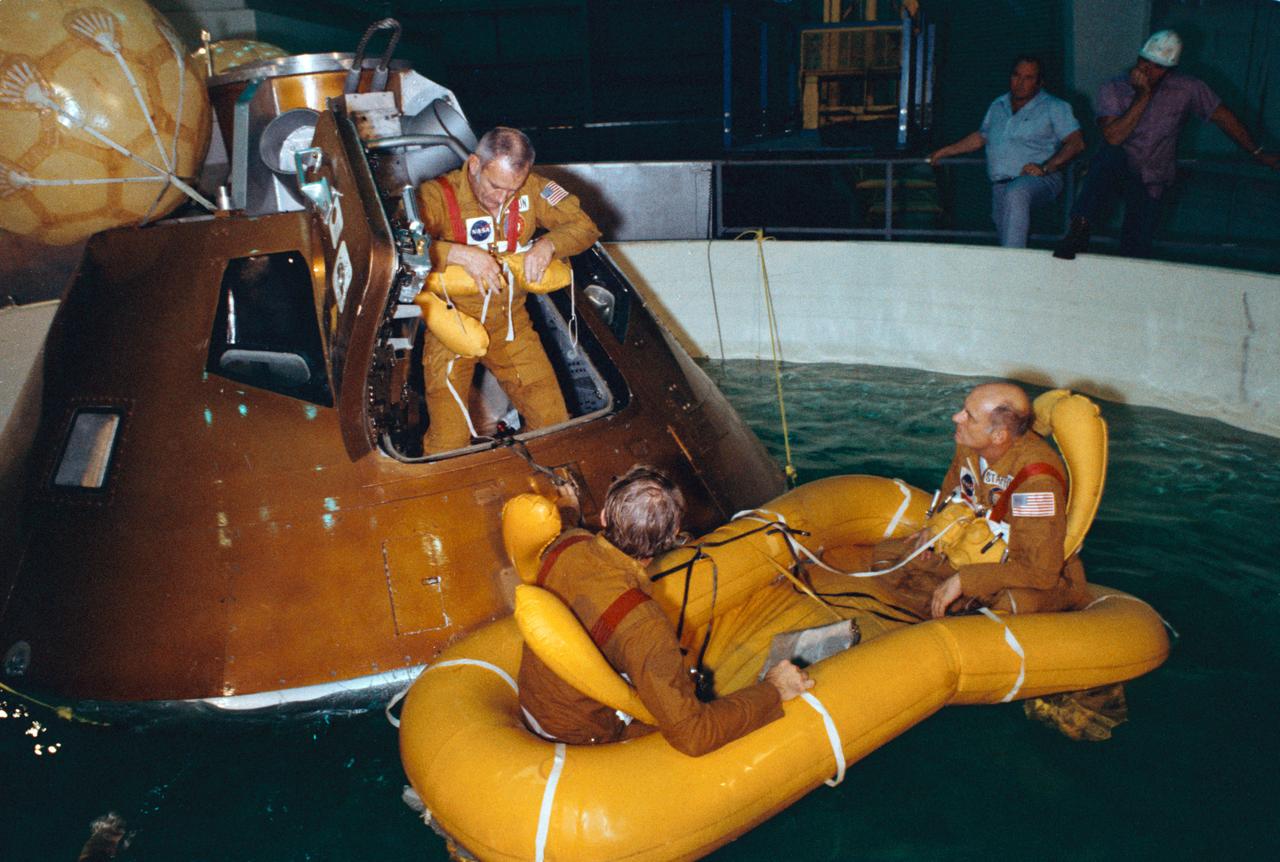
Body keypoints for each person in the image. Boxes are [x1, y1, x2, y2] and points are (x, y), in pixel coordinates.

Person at [517, 465, 814, 756]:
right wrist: (774, 689)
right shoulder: (644, 625)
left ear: (606, 515)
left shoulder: (568, 542)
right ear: (672, 536)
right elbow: (694, 737)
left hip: (536, 705)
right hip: (583, 737)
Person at [414, 126, 601, 453]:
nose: (502, 199)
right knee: (450, 441)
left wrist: (548, 245)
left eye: (512, 190)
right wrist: (457, 253)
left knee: (552, 422)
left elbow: (585, 226)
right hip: (452, 323)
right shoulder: (436, 195)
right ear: (474, 164)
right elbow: (400, 243)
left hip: (511, 325)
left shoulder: (532, 189)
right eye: (495, 186)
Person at [1054, 30, 1279, 260]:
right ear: (1139, 58)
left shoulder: (1187, 88)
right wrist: (1143, 96)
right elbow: (1113, 136)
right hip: (1117, 169)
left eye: (1158, 66)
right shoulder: (1114, 88)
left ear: (1170, 70)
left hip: (1152, 176)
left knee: (1135, 248)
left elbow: (1224, 118)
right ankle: (1079, 228)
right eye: (1145, 62)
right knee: (1109, 155)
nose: (1149, 70)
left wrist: (1258, 153)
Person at [873, 382, 1089, 619]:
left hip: (1024, 574)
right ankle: (955, 612)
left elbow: (1041, 572)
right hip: (973, 548)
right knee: (887, 557)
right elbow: (952, 492)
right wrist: (933, 530)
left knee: (1009, 606)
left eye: (970, 417)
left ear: (998, 436)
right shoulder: (969, 448)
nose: (957, 417)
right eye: (963, 410)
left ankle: (962, 620)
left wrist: (965, 581)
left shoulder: (1036, 483)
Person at [929, 55, 1084, 248]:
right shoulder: (998, 105)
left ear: (1039, 82)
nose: (1020, 83)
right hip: (1001, 184)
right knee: (1007, 235)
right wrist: (945, 151)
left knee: (1016, 193)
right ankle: (1014, 268)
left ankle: (1012, 268)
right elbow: (981, 137)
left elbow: (1076, 143)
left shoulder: (1055, 107)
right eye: (1016, 76)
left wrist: (1046, 167)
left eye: (1028, 78)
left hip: (1041, 180)